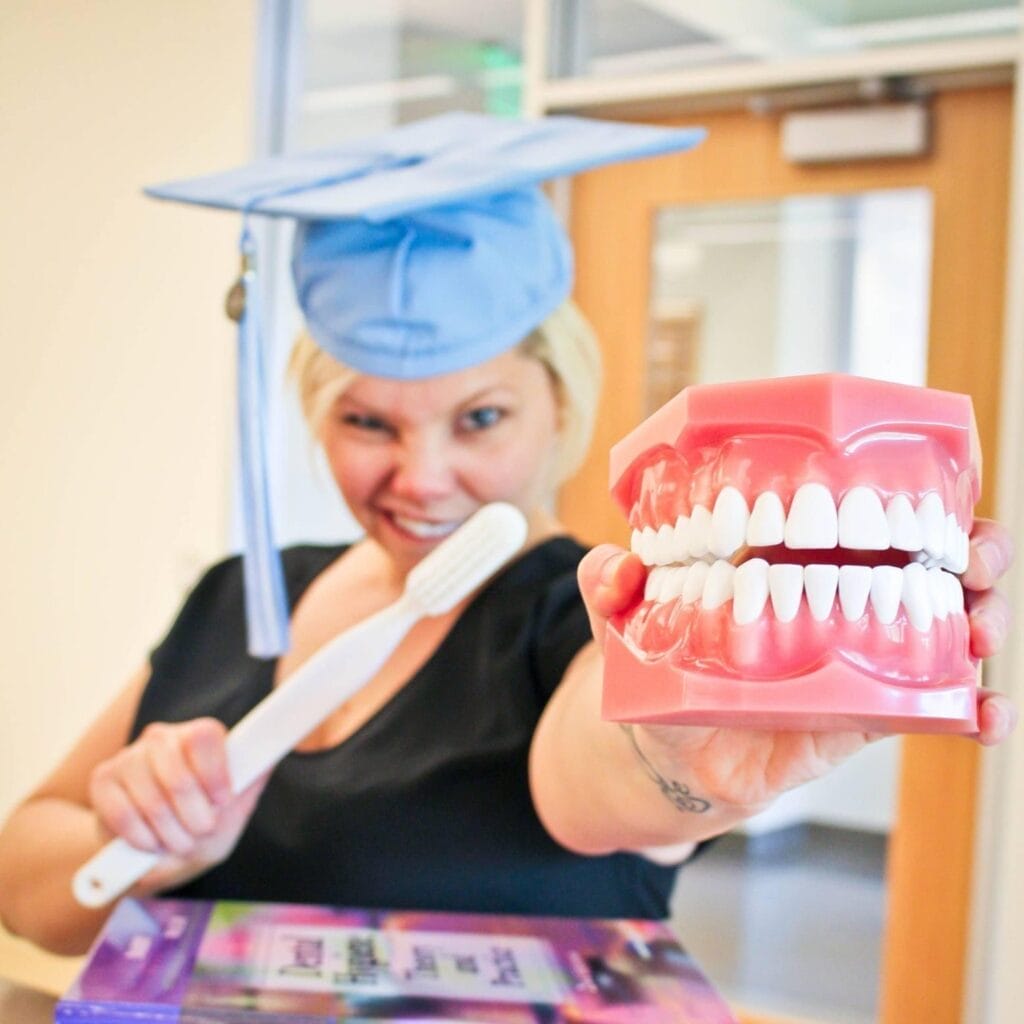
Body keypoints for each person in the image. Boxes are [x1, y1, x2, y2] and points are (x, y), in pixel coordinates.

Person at [0, 114, 1015, 957]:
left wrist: (682, 766)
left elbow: (600, 773)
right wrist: (141, 846)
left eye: (479, 418)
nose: (421, 476)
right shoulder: (240, 593)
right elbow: (25, 882)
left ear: (559, 405)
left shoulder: (596, 615)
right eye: (368, 423)